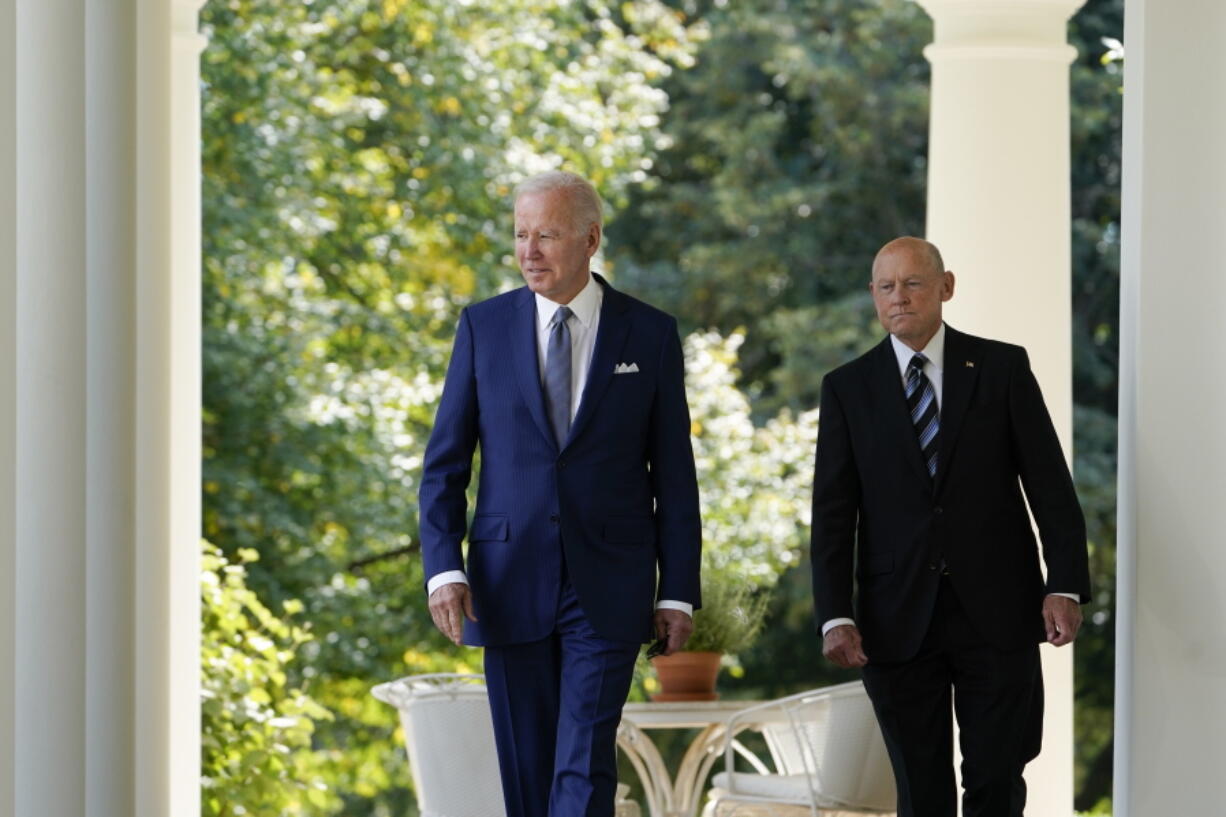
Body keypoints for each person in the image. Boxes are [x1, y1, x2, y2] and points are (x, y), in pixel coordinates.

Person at [418, 170, 702, 817]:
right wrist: (443, 568)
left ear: (591, 238)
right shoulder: (482, 328)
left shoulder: (650, 334)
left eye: (546, 234)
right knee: (528, 770)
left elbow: (675, 475)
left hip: (609, 583)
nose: (529, 251)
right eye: (521, 234)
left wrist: (677, 587)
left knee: (582, 761)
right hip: (505, 580)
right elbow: (444, 467)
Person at [809, 236, 1091, 817]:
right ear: (872, 296)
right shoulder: (847, 388)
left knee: (996, 780)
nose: (899, 298)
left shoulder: (1001, 367)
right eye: (886, 287)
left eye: (913, 283)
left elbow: (1049, 484)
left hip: (998, 613)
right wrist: (835, 613)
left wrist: (1063, 583)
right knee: (921, 793)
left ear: (946, 287)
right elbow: (834, 512)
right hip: (895, 619)